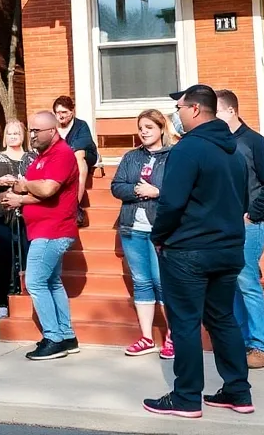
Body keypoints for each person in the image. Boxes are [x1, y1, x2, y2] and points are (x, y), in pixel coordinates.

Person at [144, 85, 252, 418]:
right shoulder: (234, 149)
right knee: (222, 319)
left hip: (189, 250)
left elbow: (172, 201)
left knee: (186, 323)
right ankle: (238, 392)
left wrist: (159, 236)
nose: (176, 114)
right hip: (229, 248)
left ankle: (187, 397)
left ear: (194, 109)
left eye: (178, 107)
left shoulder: (188, 149)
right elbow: (244, 201)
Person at [0, 111, 80, 361]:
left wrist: (24, 187)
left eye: (37, 131)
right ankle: (67, 336)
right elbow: (37, 190)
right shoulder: (41, 158)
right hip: (42, 230)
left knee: (34, 282)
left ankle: (53, 338)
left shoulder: (62, 154)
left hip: (53, 230)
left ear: (53, 131)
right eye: (31, 130)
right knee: (52, 282)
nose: (32, 135)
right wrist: (22, 194)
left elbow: (47, 189)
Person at [217, 89, 264, 371]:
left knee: (246, 282)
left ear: (231, 111)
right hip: (224, 225)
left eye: (216, 112)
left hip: (250, 225)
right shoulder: (218, 144)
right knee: (231, 283)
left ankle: (260, 346)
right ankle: (242, 343)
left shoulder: (254, 142)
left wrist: (252, 214)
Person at [111, 110, 175, 358]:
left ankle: (173, 336)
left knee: (162, 281)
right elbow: (117, 186)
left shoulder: (173, 156)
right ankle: (147, 337)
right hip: (131, 227)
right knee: (141, 281)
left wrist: (157, 192)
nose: (144, 131)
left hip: (159, 228)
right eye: (141, 127)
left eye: (149, 127)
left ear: (161, 128)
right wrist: (140, 191)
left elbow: (178, 188)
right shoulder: (131, 157)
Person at [0, 119, 35, 320]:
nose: (13, 137)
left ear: (23, 136)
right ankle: (3, 302)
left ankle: (28, 297)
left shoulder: (32, 158)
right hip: (0, 216)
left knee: (28, 255)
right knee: (5, 258)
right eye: (10, 133)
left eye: (17, 133)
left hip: (27, 213)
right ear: (5, 136)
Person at [53, 95, 98, 210]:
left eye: (64, 112)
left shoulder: (81, 125)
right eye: (58, 112)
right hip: (61, 160)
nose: (61, 116)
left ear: (72, 111)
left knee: (79, 153)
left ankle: (75, 204)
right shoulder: (52, 128)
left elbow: (83, 143)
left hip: (86, 157)